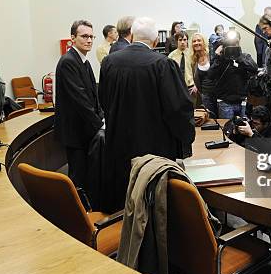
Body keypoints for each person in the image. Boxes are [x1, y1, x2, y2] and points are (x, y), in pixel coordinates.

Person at [99, 17, 195, 212]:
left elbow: (104, 100)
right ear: (155, 41)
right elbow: (177, 108)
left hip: (119, 144)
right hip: (153, 151)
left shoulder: (109, 62)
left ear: (132, 36)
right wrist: (186, 136)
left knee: (124, 196)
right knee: (152, 204)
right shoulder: (163, 64)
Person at [54, 20, 104, 205]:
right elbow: (80, 100)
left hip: (84, 129)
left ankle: (87, 207)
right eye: (84, 36)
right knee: (78, 175)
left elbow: (93, 95)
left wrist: (101, 115)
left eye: (91, 36)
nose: (89, 40)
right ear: (73, 38)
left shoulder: (84, 60)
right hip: (75, 131)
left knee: (85, 173)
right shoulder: (68, 62)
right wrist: (100, 125)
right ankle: (77, 213)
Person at [208, 31, 258, 119]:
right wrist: (218, 57)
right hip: (225, 102)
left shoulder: (244, 56)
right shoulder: (221, 59)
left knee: (244, 129)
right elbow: (210, 75)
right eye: (231, 43)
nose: (233, 45)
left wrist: (239, 57)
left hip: (242, 101)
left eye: (236, 42)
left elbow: (254, 68)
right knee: (228, 130)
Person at [191, 33, 217, 116]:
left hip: (218, 94)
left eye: (199, 40)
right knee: (210, 119)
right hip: (205, 95)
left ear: (204, 42)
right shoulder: (193, 59)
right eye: (194, 41)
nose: (196, 43)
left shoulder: (212, 55)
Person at [168, 31, 197, 100]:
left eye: (185, 40)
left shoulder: (192, 54)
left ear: (187, 41)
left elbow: (196, 71)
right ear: (176, 41)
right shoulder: (171, 56)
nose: (182, 42)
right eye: (180, 40)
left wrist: (196, 85)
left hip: (191, 88)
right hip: (177, 88)